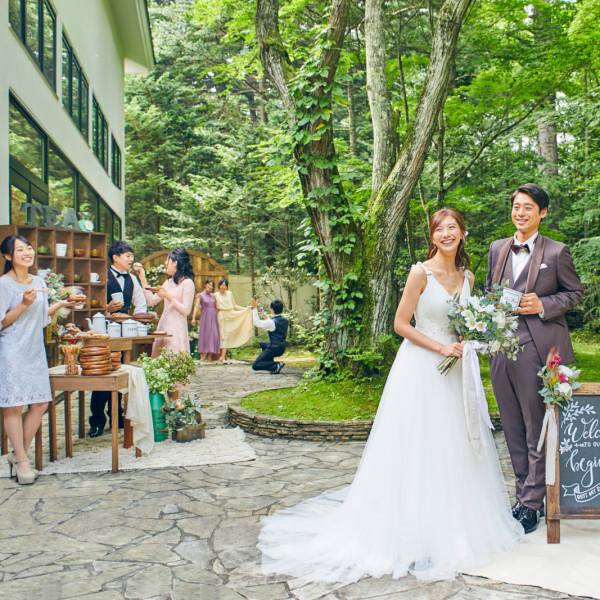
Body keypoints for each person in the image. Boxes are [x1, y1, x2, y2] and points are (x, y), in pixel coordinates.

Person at [258, 208, 524, 583]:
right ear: (432, 236)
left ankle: (452, 529)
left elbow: (465, 320)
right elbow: (401, 324)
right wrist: (439, 347)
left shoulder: (468, 276)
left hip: (454, 370)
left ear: (463, 233)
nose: (446, 234)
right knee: (417, 446)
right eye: (438, 229)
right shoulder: (420, 272)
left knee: (454, 446)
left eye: (452, 228)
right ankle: (410, 532)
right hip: (421, 368)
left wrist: (464, 341)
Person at [486, 183, 583, 534]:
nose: (520, 212)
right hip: (500, 348)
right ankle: (522, 492)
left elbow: (574, 293)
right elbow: (489, 290)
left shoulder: (557, 252)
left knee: (535, 426)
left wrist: (544, 305)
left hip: (538, 349)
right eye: (515, 206)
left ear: (542, 213)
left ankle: (531, 502)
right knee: (510, 425)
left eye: (528, 207)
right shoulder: (497, 248)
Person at [0, 235, 78, 484]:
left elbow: (41, 317)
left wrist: (60, 305)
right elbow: (2, 321)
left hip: (35, 351)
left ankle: (16, 454)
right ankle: (22, 461)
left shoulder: (37, 281)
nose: (27, 252)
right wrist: (23, 304)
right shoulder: (3, 284)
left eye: (29, 248)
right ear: (7, 256)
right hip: (12, 350)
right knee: (14, 405)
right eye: (19, 249)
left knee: (40, 403)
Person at [88, 240, 147, 438]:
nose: (131, 259)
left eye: (131, 256)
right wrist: (107, 310)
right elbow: (90, 306)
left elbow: (141, 305)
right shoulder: (101, 276)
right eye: (127, 256)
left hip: (123, 334)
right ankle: (97, 420)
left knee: (120, 373)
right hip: (101, 333)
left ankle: (119, 416)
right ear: (115, 257)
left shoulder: (132, 278)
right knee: (102, 376)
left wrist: (136, 323)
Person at [135, 247, 195, 356]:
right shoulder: (168, 282)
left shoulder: (187, 283)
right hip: (164, 326)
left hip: (177, 329)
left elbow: (186, 310)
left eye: (167, 260)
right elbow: (151, 301)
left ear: (175, 263)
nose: (165, 263)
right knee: (160, 361)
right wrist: (142, 277)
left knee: (174, 359)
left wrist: (168, 296)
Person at [213, 278, 252, 364]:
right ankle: (223, 357)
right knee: (223, 335)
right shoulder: (215, 295)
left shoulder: (230, 293)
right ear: (219, 285)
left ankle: (223, 356)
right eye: (222, 285)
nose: (223, 287)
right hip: (222, 315)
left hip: (231, 314)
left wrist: (246, 309)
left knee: (228, 335)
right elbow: (214, 307)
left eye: (225, 285)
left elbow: (234, 306)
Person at [250, 298, 288, 374]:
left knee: (255, 365)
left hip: (274, 348)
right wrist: (266, 318)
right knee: (263, 343)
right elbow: (274, 326)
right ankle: (271, 365)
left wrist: (254, 309)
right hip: (282, 347)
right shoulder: (285, 320)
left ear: (272, 310)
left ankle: (276, 365)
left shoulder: (271, 322)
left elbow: (256, 323)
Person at [191, 279, 220, 362]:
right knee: (206, 336)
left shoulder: (213, 295)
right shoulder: (200, 295)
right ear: (205, 284)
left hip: (214, 316)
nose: (210, 287)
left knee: (213, 335)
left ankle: (210, 356)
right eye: (209, 284)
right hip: (205, 316)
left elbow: (217, 306)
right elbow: (196, 306)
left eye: (211, 285)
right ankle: (203, 357)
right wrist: (193, 317)